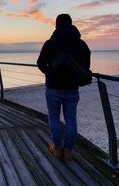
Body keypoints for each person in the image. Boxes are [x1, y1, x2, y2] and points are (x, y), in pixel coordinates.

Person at [36, 14, 91, 160]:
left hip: (53, 88)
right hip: (72, 89)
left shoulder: (51, 43)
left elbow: (40, 63)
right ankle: (68, 151)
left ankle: (57, 148)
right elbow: (86, 67)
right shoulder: (81, 44)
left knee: (54, 117)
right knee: (71, 120)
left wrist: (50, 73)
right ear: (71, 24)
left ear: (56, 25)